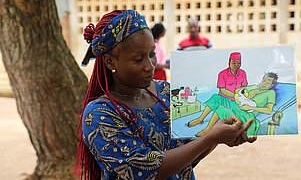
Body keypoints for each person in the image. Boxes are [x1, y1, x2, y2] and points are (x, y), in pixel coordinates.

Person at [74, 10, 257, 180]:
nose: (150, 65)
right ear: (109, 61)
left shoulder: (165, 92)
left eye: (152, 54)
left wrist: (218, 137)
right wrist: (211, 138)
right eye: (139, 59)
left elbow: (189, 154)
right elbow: (145, 170)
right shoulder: (100, 114)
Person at [188, 72, 278, 137]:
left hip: (247, 112)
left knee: (221, 108)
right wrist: (244, 93)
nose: (264, 83)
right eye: (264, 80)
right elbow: (237, 91)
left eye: (268, 82)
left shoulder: (270, 93)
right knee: (216, 97)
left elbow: (269, 111)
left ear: (271, 85)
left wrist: (249, 107)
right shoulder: (254, 87)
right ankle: (200, 119)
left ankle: (207, 130)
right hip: (237, 104)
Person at [188, 52, 247, 127]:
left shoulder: (242, 73)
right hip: (224, 98)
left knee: (219, 105)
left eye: (239, 63)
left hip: (236, 102)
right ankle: (200, 119)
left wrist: (241, 97)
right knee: (215, 97)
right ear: (229, 62)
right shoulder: (222, 74)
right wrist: (235, 95)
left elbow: (244, 88)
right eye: (234, 63)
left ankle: (206, 127)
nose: (236, 65)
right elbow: (222, 90)